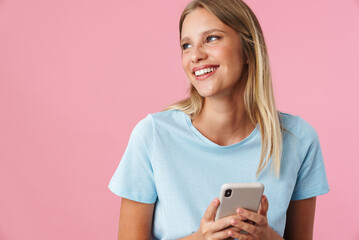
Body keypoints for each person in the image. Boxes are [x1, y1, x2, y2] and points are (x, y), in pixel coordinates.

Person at [108, 0, 329, 239]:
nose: (196, 56)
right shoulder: (153, 135)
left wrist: (268, 237)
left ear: (248, 49)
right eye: (186, 45)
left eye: (212, 38)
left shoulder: (299, 139)